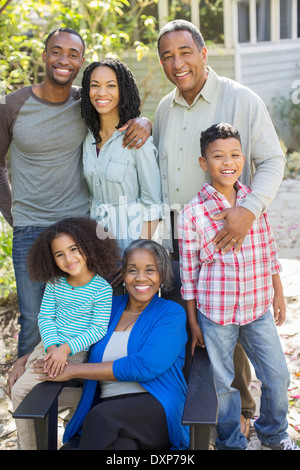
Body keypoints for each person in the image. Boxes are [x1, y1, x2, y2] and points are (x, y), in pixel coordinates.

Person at [153, 18, 286, 432]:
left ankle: (246, 416)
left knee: (238, 335)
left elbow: (273, 160)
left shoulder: (240, 99)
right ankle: (198, 419)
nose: (178, 63)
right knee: (199, 333)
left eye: (185, 52)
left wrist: (249, 209)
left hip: (234, 237)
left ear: (204, 53)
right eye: (168, 56)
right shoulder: (163, 108)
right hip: (181, 237)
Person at [0, 27, 151, 358]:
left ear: (81, 60)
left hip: (81, 230)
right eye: (56, 51)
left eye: (72, 54)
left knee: (89, 316)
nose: (63, 60)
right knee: (33, 318)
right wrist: (14, 214)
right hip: (30, 230)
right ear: (44, 55)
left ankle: (80, 397)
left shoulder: (85, 99)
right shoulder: (12, 105)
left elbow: (115, 104)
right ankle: (30, 407)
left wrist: (145, 121)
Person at [178, 123, 296, 450]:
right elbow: (189, 275)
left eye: (234, 154)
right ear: (204, 163)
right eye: (218, 156)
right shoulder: (193, 214)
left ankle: (274, 433)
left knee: (277, 377)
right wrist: (193, 322)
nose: (227, 162)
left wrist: (278, 292)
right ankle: (232, 442)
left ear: (243, 158)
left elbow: (268, 248)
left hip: (257, 307)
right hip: (216, 315)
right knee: (223, 385)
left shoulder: (253, 203)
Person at [32, 239, 189, 450]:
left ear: (161, 275)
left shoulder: (171, 313)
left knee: (100, 417)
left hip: (156, 405)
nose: (141, 277)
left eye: (150, 270)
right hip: (110, 410)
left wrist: (72, 371)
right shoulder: (107, 306)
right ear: (123, 275)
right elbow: (66, 331)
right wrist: (24, 359)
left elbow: (144, 366)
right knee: (122, 448)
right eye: (133, 270)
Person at [11, 216, 120, 450]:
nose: (68, 259)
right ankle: (29, 446)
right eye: (59, 254)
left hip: (77, 352)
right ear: (52, 258)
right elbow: (45, 317)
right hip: (49, 348)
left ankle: (74, 419)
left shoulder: (101, 289)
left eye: (74, 249)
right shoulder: (55, 284)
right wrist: (52, 348)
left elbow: (97, 329)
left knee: (24, 390)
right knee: (21, 390)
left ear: (88, 247)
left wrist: (65, 350)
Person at [80, 59, 162, 255]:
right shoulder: (87, 138)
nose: (101, 93)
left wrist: (135, 257)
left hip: (130, 243)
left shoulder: (137, 139)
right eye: (95, 85)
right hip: (96, 247)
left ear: (123, 91)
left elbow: (153, 207)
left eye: (111, 86)